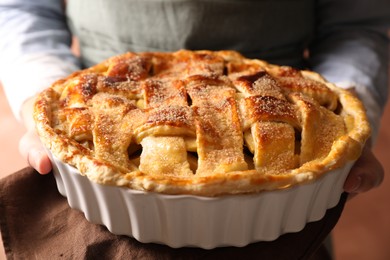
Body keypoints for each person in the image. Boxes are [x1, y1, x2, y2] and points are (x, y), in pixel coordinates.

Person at [0, 1, 387, 198]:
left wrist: (352, 97)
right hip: (104, 102)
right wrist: (41, 95)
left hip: (275, 102)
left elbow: (357, 24)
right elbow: (21, 8)